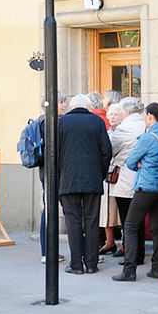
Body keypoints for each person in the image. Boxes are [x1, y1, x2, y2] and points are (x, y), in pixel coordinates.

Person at [112, 103, 158, 281]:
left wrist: (140, 164)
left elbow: (130, 162)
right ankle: (155, 268)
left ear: (150, 116)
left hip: (145, 187)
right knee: (157, 229)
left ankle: (129, 270)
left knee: (130, 225)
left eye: (145, 116)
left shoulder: (147, 138)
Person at [58, 94, 112, 274]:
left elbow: (54, 154)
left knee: (73, 221)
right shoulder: (96, 122)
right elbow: (106, 151)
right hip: (92, 180)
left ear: (73, 106)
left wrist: (60, 175)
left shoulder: (61, 123)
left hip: (68, 179)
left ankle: (76, 265)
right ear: (88, 107)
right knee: (91, 221)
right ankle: (91, 264)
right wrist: (101, 173)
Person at [104, 98, 145, 259]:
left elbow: (110, 150)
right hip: (141, 175)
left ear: (125, 112)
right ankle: (138, 253)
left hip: (125, 177)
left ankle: (131, 255)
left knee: (128, 218)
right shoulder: (143, 124)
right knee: (138, 219)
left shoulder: (124, 128)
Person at [39, 91, 68, 264]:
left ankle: (47, 253)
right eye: (61, 102)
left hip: (48, 172)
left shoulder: (42, 120)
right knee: (67, 211)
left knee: (48, 210)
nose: (64, 105)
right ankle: (49, 253)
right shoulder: (51, 123)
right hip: (56, 172)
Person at [99, 102, 124, 255]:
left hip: (118, 174)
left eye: (116, 114)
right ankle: (110, 242)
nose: (113, 117)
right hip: (106, 175)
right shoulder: (107, 132)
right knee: (106, 211)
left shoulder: (122, 132)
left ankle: (124, 244)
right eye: (111, 114)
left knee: (120, 212)